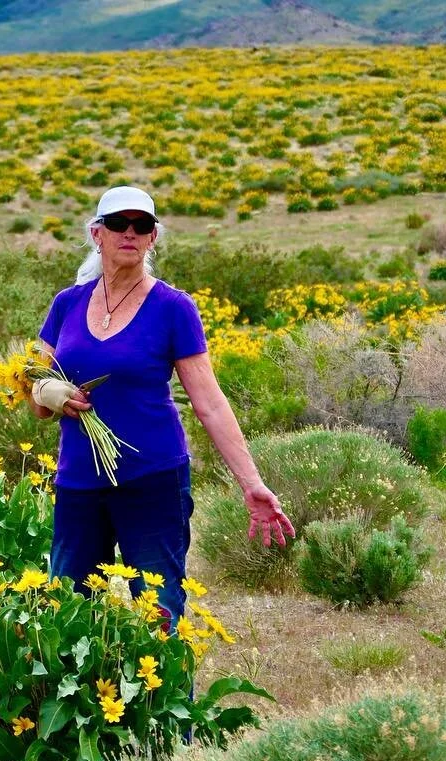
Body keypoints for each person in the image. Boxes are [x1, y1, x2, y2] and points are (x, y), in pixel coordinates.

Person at [31, 185, 295, 623]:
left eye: (142, 225)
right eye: (118, 224)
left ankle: (165, 695)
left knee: (158, 615)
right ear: (97, 233)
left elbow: (208, 402)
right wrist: (51, 394)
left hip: (152, 480)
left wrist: (252, 483)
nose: (129, 232)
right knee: (67, 614)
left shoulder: (174, 308)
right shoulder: (67, 304)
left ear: (154, 237)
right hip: (79, 481)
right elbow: (33, 387)